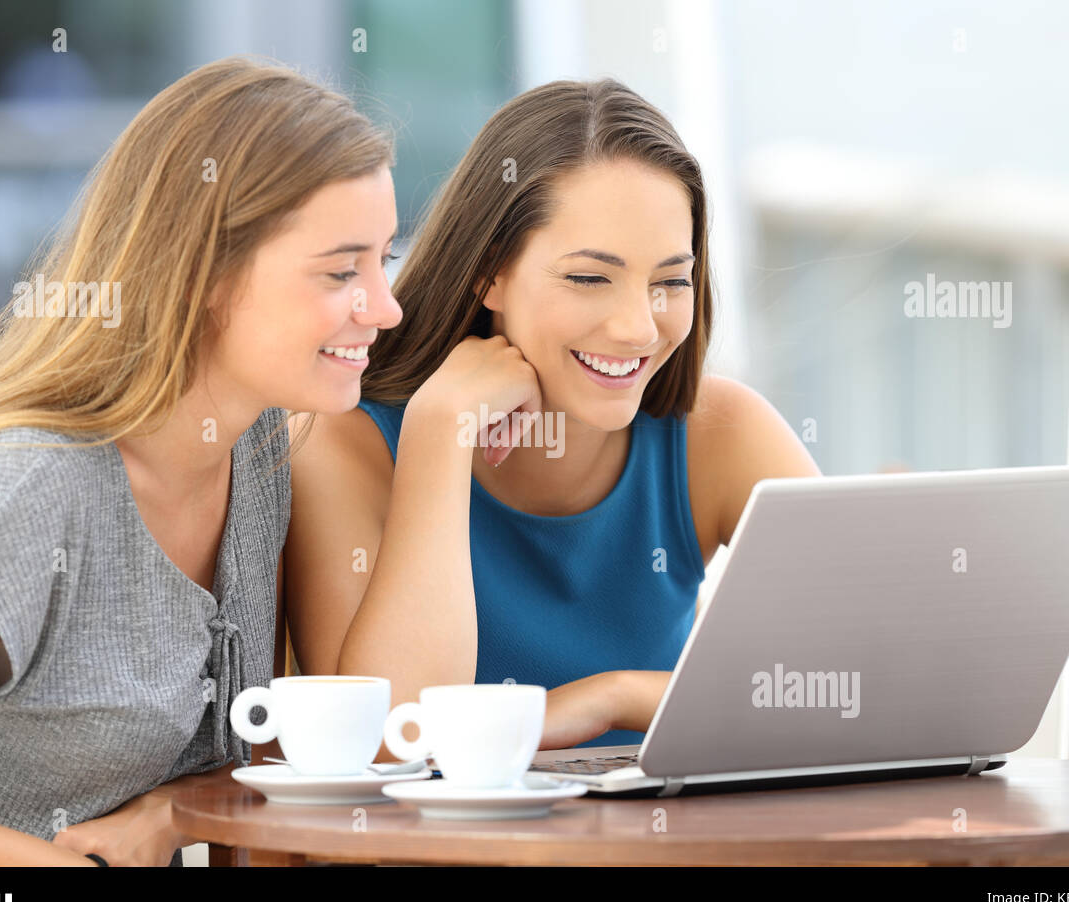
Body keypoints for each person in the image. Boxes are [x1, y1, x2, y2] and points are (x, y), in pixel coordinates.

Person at [0, 55, 402, 865]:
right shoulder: (36, 482)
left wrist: (176, 813)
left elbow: (265, 757)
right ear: (206, 276)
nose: (384, 307)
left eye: (383, 262)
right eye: (340, 271)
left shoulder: (257, 453)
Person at [285, 78, 822, 753]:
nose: (636, 328)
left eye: (670, 282)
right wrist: (437, 436)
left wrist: (615, 697)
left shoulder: (719, 432)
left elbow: (857, 677)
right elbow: (391, 740)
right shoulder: (342, 441)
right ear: (490, 271)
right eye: (590, 278)